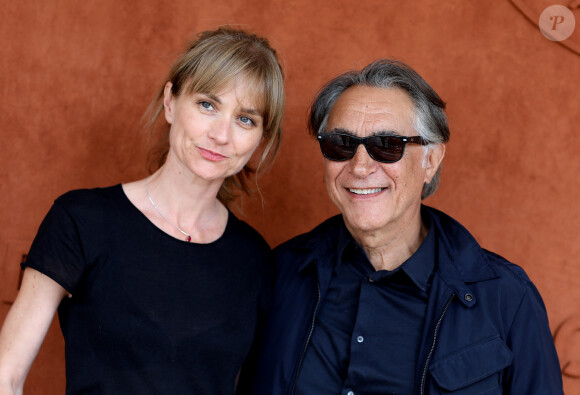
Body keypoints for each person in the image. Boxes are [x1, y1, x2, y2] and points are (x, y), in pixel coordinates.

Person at [237, 60, 563, 394]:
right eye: (341, 144)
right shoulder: (279, 274)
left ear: (431, 161)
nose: (361, 167)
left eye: (388, 145)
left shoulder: (507, 297)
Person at [0, 26, 284, 394]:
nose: (221, 134)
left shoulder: (256, 260)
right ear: (170, 102)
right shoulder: (81, 220)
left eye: (246, 119)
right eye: (207, 104)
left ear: (259, 139)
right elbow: (6, 376)